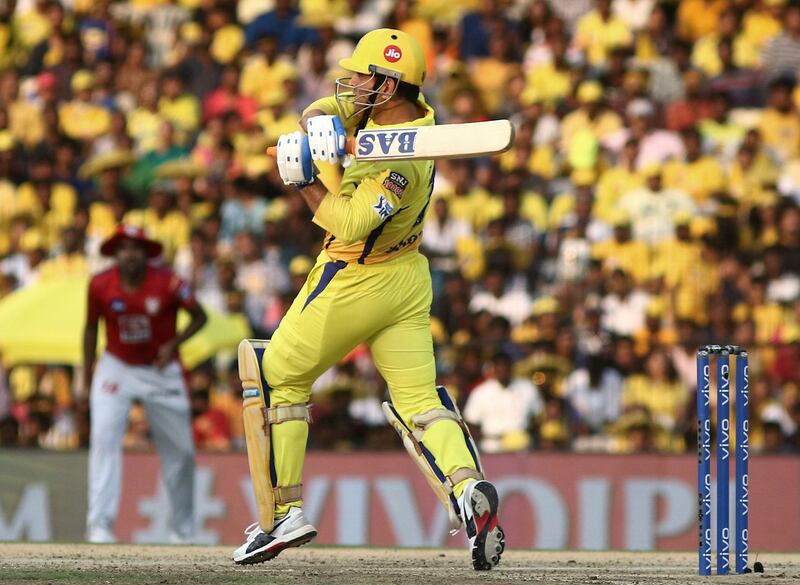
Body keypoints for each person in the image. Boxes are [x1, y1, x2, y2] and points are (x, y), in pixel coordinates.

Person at [233, 29, 505, 570]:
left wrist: (306, 178)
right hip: (406, 279)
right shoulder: (393, 112)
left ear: (386, 84)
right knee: (419, 402)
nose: (350, 83)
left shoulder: (400, 162)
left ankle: (281, 514)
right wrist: (318, 127)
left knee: (271, 373)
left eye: (361, 76)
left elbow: (354, 223)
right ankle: (467, 492)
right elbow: (324, 104)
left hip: (357, 273)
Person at [83, 224, 207, 544]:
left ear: (146, 253)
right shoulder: (99, 284)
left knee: (181, 453)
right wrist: (85, 380)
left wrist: (173, 344)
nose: (130, 254)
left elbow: (200, 316)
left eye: (137, 248)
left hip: (160, 369)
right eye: (124, 248)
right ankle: (99, 526)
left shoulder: (169, 282)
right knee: (103, 440)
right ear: (115, 253)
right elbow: (89, 330)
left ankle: (182, 532)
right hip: (116, 366)